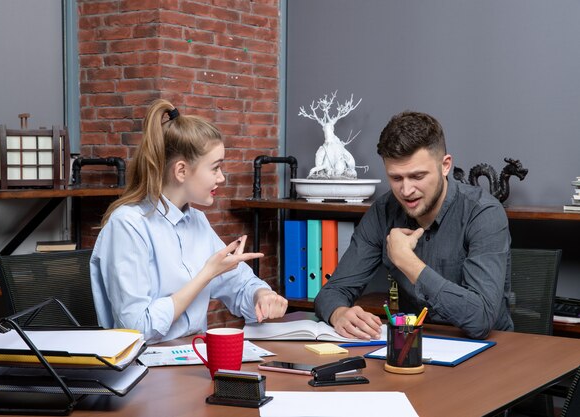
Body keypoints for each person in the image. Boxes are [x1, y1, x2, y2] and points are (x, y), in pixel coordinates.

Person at [90, 99, 288, 343]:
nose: (222, 178)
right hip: (143, 366)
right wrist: (205, 275)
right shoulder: (128, 225)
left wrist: (261, 295)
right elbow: (136, 328)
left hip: (190, 355)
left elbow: (237, 282)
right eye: (215, 168)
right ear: (181, 171)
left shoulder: (197, 221)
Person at [314, 111, 513, 340]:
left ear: (445, 165)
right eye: (396, 178)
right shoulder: (382, 212)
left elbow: (481, 319)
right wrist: (339, 314)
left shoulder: (483, 213)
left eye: (417, 176)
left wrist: (406, 261)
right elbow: (331, 292)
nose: (406, 191)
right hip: (412, 347)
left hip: (490, 353)